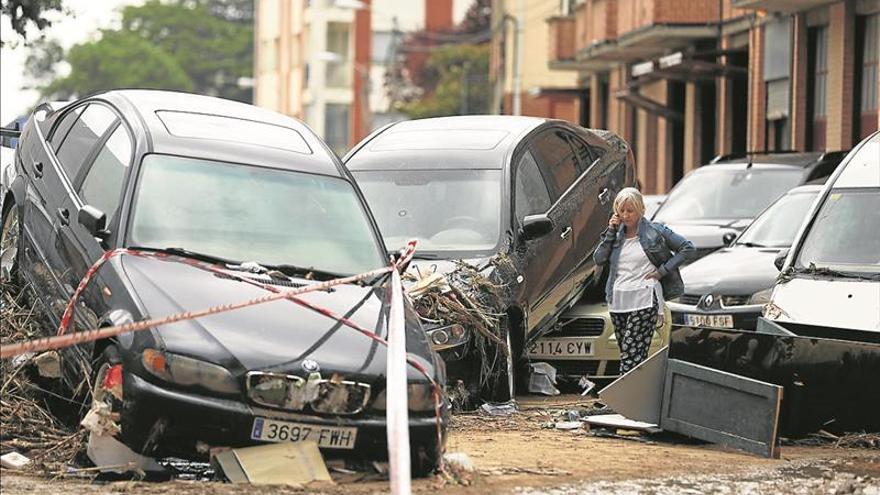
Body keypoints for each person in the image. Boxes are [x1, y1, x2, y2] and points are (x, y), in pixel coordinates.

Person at [594, 187, 694, 374]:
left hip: (644, 297)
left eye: (630, 210)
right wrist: (610, 230)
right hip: (618, 300)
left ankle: (623, 396)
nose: (625, 215)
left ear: (640, 209)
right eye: (621, 210)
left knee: (631, 353)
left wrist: (661, 271)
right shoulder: (615, 235)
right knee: (628, 352)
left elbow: (687, 248)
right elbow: (599, 258)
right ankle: (636, 396)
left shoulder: (655, 231)